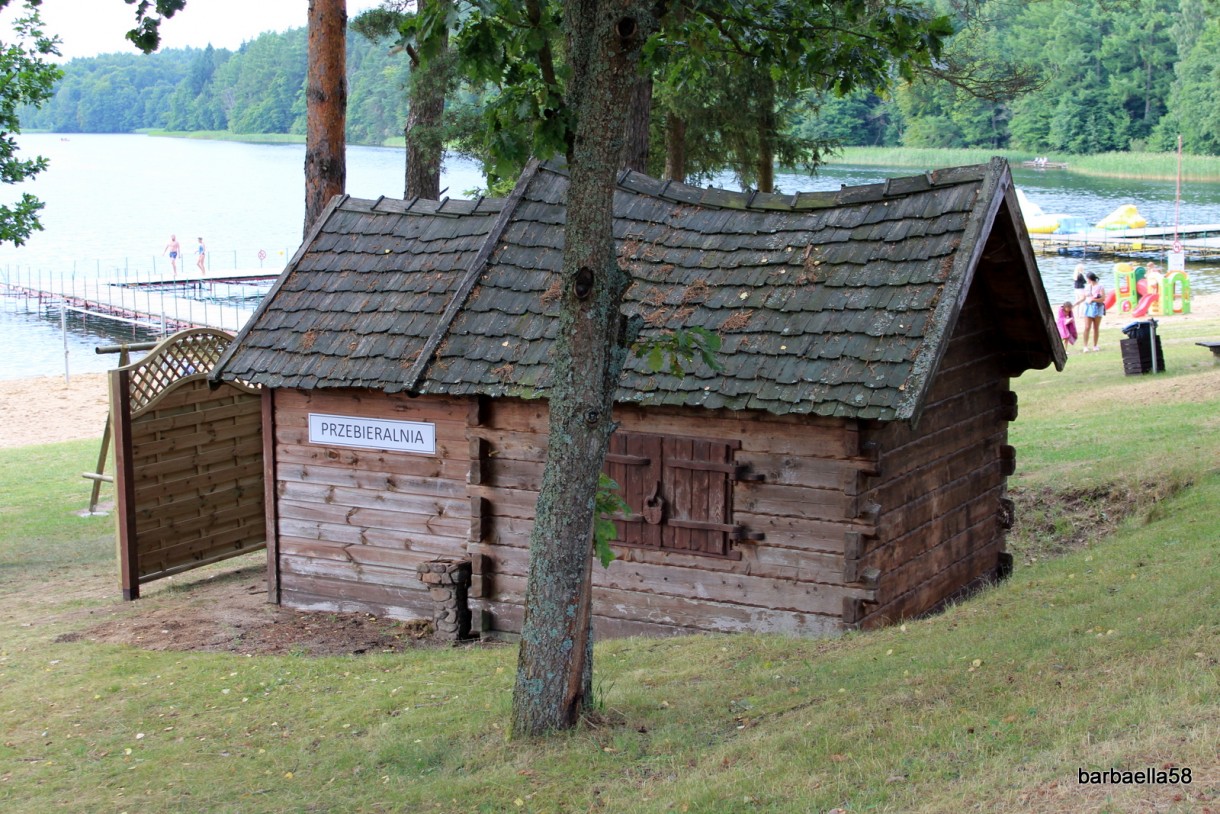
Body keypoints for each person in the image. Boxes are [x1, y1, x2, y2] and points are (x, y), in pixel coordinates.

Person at [1078, 271, 1106, 352]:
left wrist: (1093, 299)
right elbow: (1083, 297)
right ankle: (1085, 346)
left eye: (1087, 278)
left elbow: (1103, 299)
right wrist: (1076, 304)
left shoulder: (1100, 287)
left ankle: (1095, 345)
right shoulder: (1087, 287)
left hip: (1098, 307)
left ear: (1090, 279)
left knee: (1096, 327)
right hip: (1088, 308)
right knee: (1087, 327)